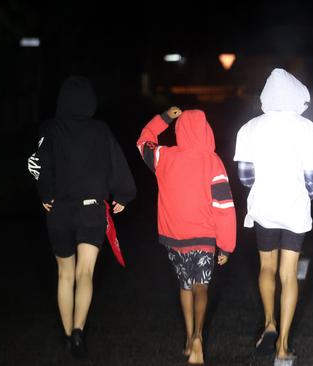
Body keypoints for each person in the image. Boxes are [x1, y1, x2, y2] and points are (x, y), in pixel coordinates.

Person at [27, 76, 136, 357]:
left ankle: (66, 335)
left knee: (65, 274)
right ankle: (78, 330)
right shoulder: (100, 130)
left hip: (59, 211)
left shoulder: (50, 128)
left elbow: (36, 164)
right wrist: (123, 194)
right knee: (85, 272)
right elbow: (117, 162)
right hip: (91, 209)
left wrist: (45, 194)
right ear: (90, 102)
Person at [234, 68, 313, 361]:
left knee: (267, 268)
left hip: (264, 208)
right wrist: (300, 195)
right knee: (289, 273)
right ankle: (283, 343)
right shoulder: (309, 129)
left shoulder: (249, 128)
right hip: (295, 209)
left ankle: (269, 322)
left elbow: (245, 178)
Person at [137, 107, 236, 365]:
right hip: (204, 235)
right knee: (202, 285)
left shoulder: (164, 157)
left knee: (185, 285)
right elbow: (224, 206)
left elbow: (143, 142)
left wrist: (165, 118)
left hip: (175, 236)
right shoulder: (212, 160)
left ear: (180, 129)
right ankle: (197, 337)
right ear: (206, 130)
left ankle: (187, 337)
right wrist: (226, 246)